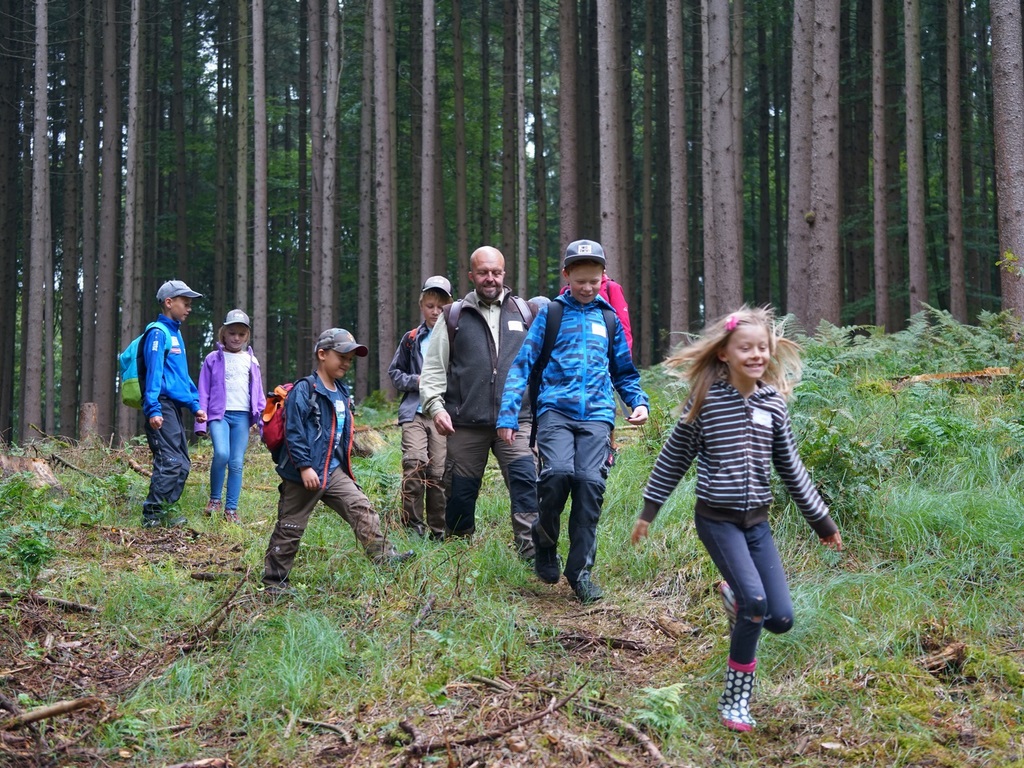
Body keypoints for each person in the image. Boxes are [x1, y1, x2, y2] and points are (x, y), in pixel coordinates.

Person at [630, 305, 844, 732]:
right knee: (755, 605)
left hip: (756, 524)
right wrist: (648, 511)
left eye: (762, 347)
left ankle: (734, 595)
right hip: (716, 520)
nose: (756, 355)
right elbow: (674, 458)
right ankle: (735, 701)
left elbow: (792, 469)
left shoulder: (773, 405)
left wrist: (822, 522)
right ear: (724, 353)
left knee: (780, 619)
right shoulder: (706, 401)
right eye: (745, 348)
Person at [498, 239, 649, 603]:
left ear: (603, 277)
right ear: (566, 275)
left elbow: (624, 372)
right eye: (580, 281)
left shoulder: (608, 319)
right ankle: (545, 541)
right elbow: (522, 365)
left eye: (594, 281)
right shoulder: (551, 315)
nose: (587, 287)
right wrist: (508, 414)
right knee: (557, 474)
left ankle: (580, 573)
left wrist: (638, 402)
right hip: (555, 411)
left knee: (589, 486)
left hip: (598, 415)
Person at [262, 328, 414, 593]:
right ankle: (275, 582)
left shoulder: (342, 392)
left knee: (361, 507)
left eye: (350, 359)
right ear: (322, 354)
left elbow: (338, 433)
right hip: (303, 473)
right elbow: (294, 432)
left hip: (332, 470)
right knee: (290, 527)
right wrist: (305, 466)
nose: (346, 363)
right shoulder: (305, 389)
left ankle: (384, 557)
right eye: (341, 356)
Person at [419, 246, 540, 559]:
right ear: (471, 275)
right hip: (465, 423)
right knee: (460, 492)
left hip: (517, 420)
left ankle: (532, 555)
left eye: (496, 272)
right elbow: (432, 370)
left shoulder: (525, 312)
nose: (490, 279)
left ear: (504, 273)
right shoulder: (453, 315)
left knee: (526, 484)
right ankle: (459, 557)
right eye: (483, 272)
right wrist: (436, 408)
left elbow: (542, 367)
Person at [387, 276, 454, 538]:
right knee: (414, 464)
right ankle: (413, 527)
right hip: (414, 412)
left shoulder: (455, 336)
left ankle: (438, 530)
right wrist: (418, 381)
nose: (435, 312)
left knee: (438, 474)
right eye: (430, 306)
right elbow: (395, 373)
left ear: (449, 306)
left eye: (440, 307)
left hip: (443, 414)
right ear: (421, 305)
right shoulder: (411, 339)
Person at [141, 280, 208, 528]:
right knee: (169, 461)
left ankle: (166, 511)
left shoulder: (175, 333)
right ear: (169, 302)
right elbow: (154, 373)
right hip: (161, 405)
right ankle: (152, 515)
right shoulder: (158, 333)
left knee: (182, 464)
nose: (189, 308)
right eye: (185, 303)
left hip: (174, 407)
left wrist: (194, 405)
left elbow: (181, 376)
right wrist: (153, 408)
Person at [195, 309, 267, 523]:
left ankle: (231, 510)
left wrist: (261, 420)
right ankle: (215, 500)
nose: (236, 338)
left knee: (236, 462)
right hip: (219, 415)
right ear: (223, 334)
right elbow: (203, 390)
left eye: (241, 334)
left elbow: (258, 392)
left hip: (242, 417)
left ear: (247, 336)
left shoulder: (251, 361)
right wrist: (200, 421)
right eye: (232, 333)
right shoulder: (213, 359)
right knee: (222, 453)